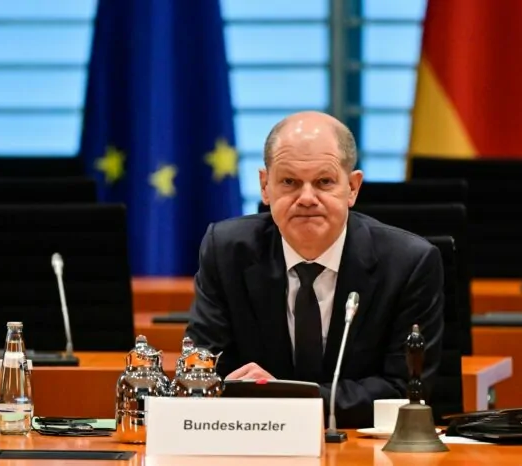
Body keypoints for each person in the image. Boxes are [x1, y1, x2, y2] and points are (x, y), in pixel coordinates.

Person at [185, 111, 444, 428]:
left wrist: (286, 399)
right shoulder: (226, 252)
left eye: (324, 182)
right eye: (289, 182)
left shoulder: (408, 263)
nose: (307, 198)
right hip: (256, 439)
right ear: (265, 186)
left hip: (360, 444)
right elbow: (202, 370)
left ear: (352, 187)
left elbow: (404, 390)